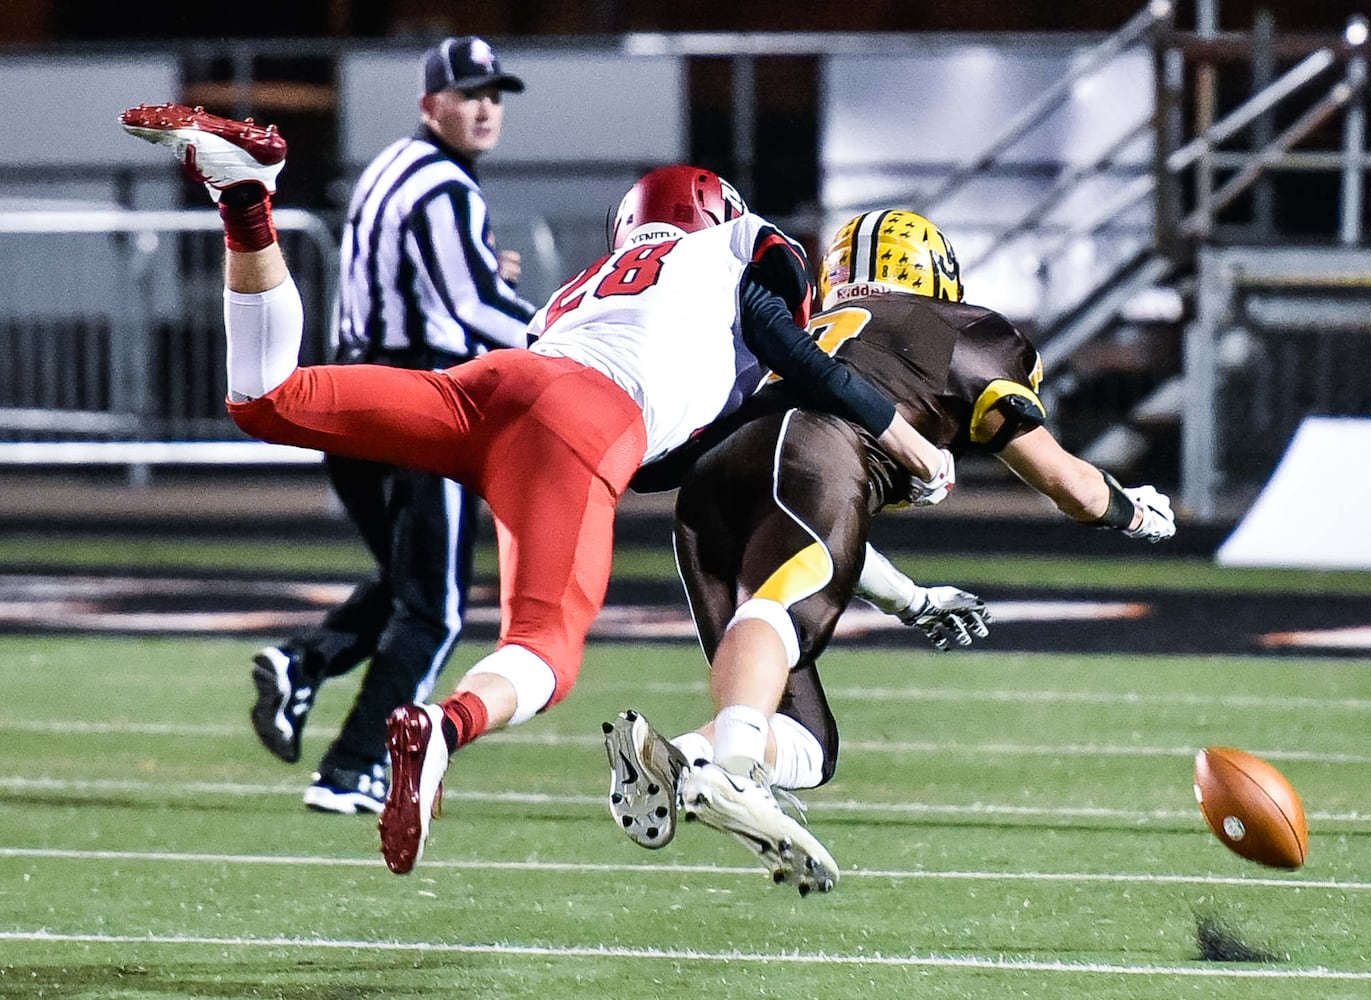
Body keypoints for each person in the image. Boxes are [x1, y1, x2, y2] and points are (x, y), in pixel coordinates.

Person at [118, 106, 957, 876]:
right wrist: (898, 430)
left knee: (266, 398)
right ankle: (442, 731)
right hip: (581, 422)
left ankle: (247, 201)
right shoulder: (734, 248)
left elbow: (657, 459)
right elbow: (785, 344)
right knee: (547, 652)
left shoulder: (583, 288)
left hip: (496, 388)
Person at [602, 208, 1177, 893]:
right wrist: (1136, 512)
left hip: (708, 489)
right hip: (810, 462)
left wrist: (913, 599)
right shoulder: (960, 331)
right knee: (780, 609)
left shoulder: (806, 334)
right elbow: (1069, 485)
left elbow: (803, 539)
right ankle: (730, 774)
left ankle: (685, 760)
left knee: (809, 741)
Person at [248, 36, 537, 815]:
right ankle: (354, 768)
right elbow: (474, 306)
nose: (485, 107)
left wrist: (483, 274)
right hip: (419, 405)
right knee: (436, 607)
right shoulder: (445, 185)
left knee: (413, 582)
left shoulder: (391, 166)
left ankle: (305, 663)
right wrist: (568, 338)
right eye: (470, 92)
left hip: (356, 400)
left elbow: (442, 279)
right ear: (429, 103)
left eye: (494, 94)